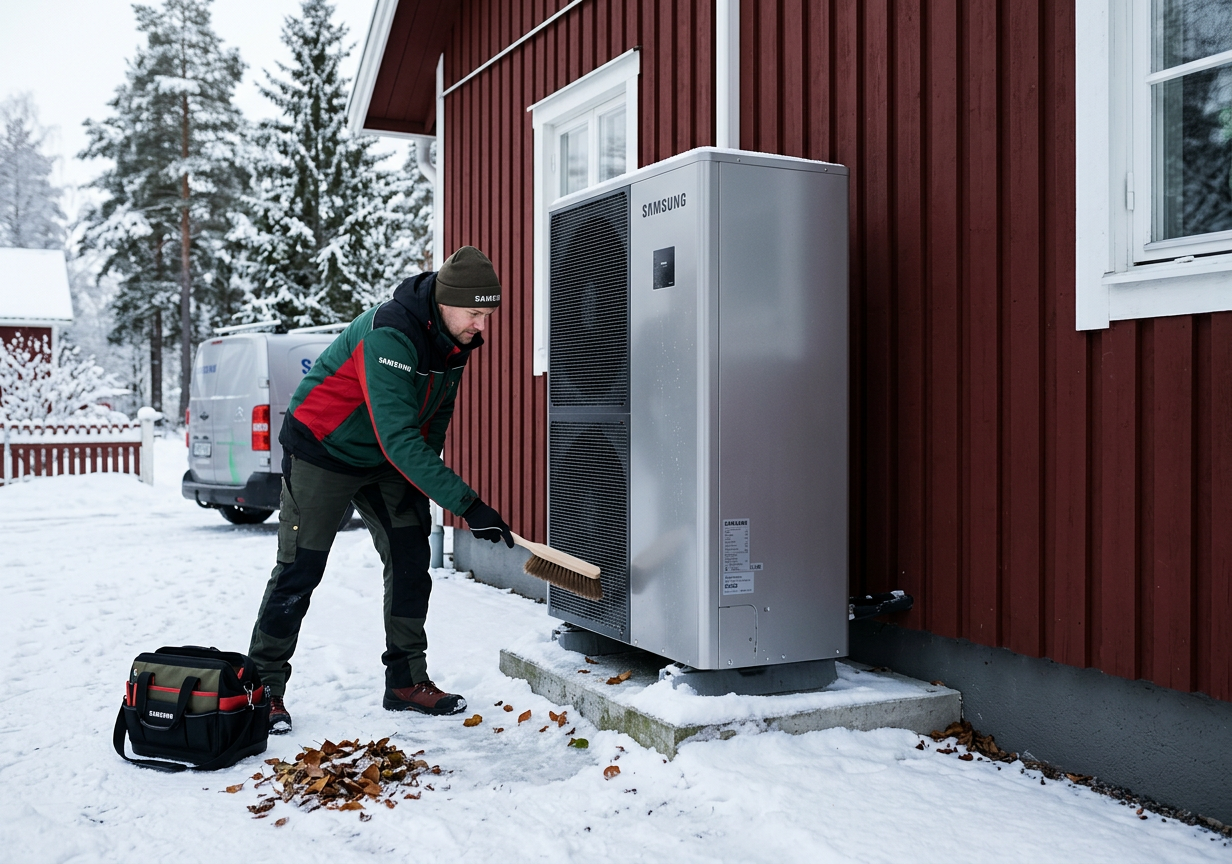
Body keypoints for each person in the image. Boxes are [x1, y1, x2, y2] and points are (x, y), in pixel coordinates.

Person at [247, 246, 515, 734]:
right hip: (324, 448)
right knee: (299, 569)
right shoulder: (390, 333)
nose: (482, 327)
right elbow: (399, 436)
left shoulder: (455, 341)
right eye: (474, 314)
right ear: (444, 302)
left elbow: (432, 424)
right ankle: (262, 689)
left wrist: (430, 486)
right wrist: (467, 504)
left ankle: (406, 681)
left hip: (386, 457)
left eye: (487, 316)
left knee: (412, 559)